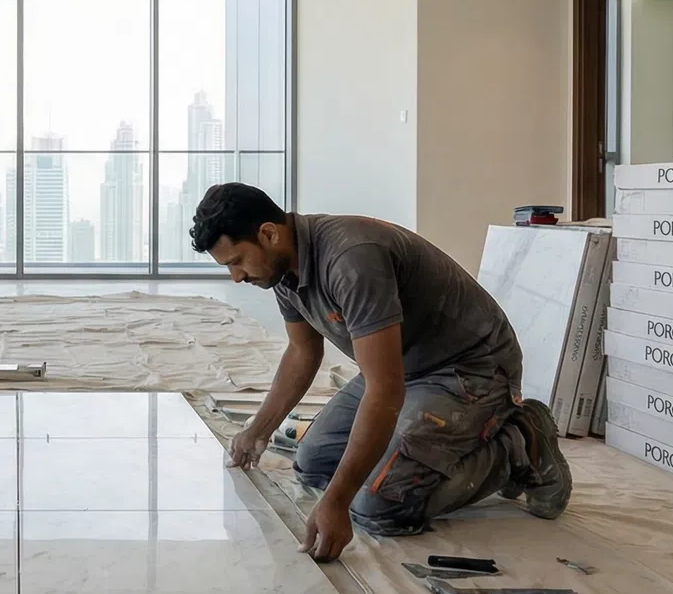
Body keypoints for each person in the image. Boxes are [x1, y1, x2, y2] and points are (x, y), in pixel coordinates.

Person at [191, 183, 570, 561]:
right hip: (404, 365)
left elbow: (384, 391)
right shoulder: (281, 269)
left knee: (378, 507)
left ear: (268, 234)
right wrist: (257, 430)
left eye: (236, 261)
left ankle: (520, 444)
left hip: (470, 368)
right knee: (313, 464)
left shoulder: (351, 260)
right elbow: (302, 352)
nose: (236, 277)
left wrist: (337, 503)